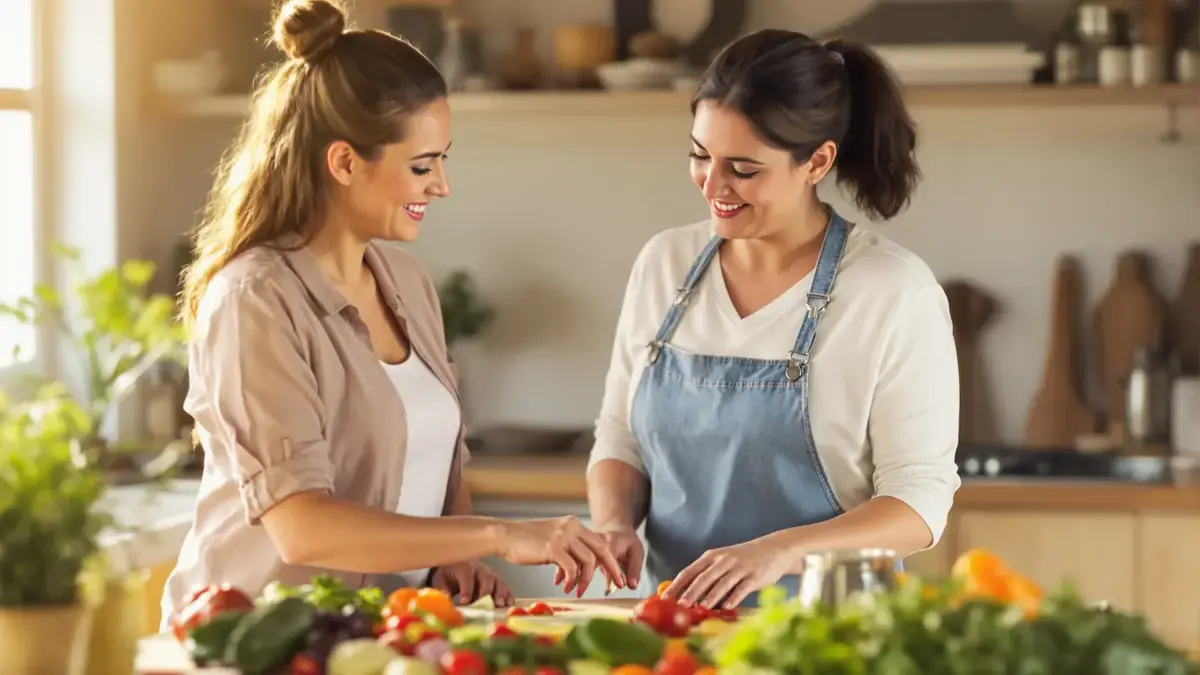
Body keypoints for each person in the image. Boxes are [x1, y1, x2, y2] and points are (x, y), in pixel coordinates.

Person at [162, 0, 624, 625]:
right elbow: (302, 528)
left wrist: (452, 554)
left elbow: (437, 466)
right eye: (422, 165)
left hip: (379, 636)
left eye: (443, 160)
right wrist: (496, 534)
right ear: (345, 162)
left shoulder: (406, 281)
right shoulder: (254, 300)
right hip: (257, 638)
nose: (442, 185)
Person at [586, 29, 961, 610]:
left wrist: (781, 552)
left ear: (817, 162)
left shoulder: (892, 291)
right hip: (675, 627)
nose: (712, 186)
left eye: (743, 168)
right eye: (700, 155)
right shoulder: (664, 263)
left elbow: (919, 502)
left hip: (834, 632)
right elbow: (621, 437)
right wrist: (613, 524)